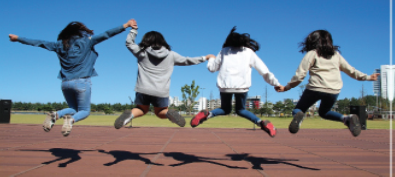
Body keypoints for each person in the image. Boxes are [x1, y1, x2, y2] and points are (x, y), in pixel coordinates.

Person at [9, 19, 136, 136]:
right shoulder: (87, 41)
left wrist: (18, 38)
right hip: (81, 81)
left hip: (65, 83)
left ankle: (56, 115)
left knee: (73, 108)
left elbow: (39, 43)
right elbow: (106, 34)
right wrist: (125, 25)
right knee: (85, 111)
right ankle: (71, 120)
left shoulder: (59, 45)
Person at [275, 30, 379, 137]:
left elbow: (300, 75)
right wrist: (368, 77)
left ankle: (299, 116)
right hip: (333, 90)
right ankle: (346, 118)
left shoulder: (312, 54)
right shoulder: (336, 55)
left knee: (299, 109)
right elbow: (351, 71)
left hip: (315, 88)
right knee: (324, 112)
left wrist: (287, 87)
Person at [114, 19, 215, 129]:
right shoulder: (171, 55)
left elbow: (129, 43)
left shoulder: (141, 52)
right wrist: (205, 58)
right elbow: (188, 60)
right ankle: (168, 113)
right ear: (163, 41)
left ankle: (129, 115)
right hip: (161, 91)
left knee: (142, 109)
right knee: (161, 112)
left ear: (146, 41)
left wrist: (133, 30)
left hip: (143, 89)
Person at [190, 27, 280, 137]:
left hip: (225, 86)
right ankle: (261, 123)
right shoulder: (249, 52)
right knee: (241, 110)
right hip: (241, 87)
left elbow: (212, 68)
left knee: (225, 109)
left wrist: (211, 58)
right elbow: (264, 71)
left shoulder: (224, 51)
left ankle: (207, 114)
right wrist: (276, 83)